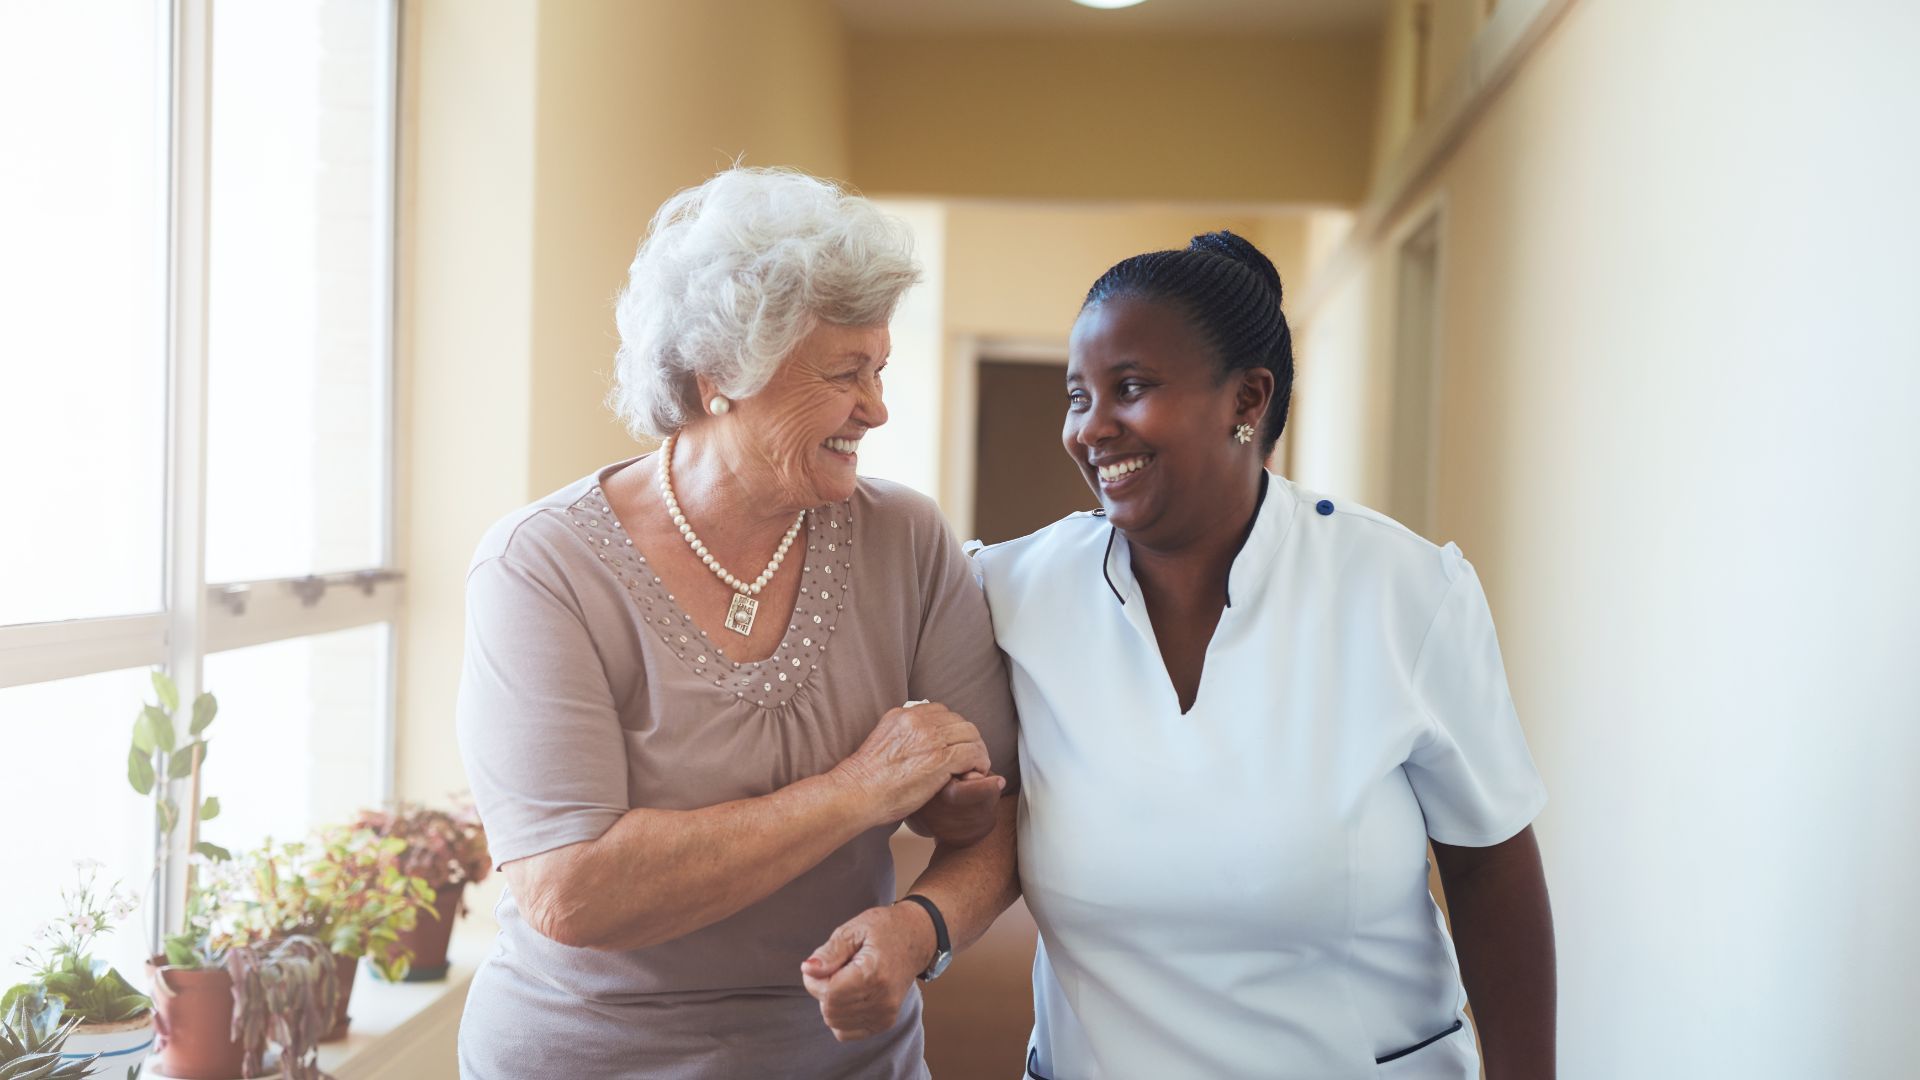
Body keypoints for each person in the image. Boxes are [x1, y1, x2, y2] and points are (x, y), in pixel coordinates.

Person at [806, 231, 1555, 1078]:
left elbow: (1490, 871)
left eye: (1130, 389)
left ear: (1248, 399)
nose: (1092, 429)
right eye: (1077, 395)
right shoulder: (1011, 592)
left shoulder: (1402, 592)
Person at [454, 167, 1018, 1079]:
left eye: (879, 368)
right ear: (721, 376)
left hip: (846, 1058)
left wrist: (921, 931)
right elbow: (573, 892)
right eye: (845, 373)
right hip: (589, 1054)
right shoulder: (541, 566)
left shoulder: (904, 538)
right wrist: (862, 790)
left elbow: (1006, 812)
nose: (877, 407)